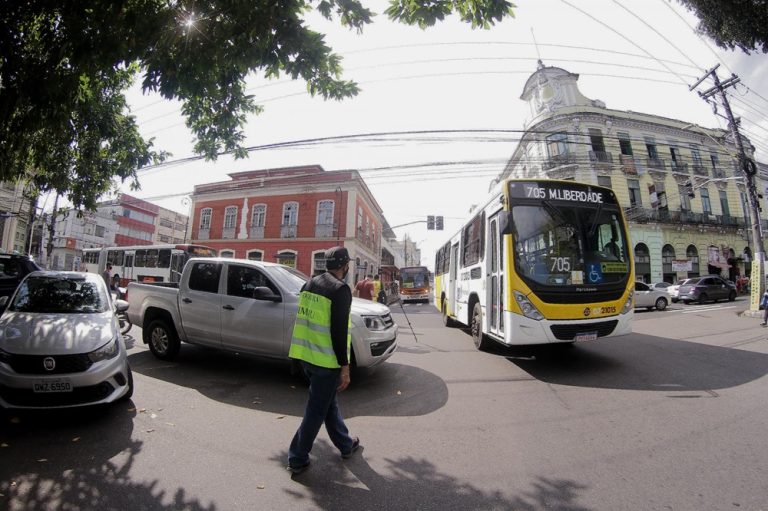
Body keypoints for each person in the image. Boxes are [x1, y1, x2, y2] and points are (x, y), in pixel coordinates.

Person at [287, 246, 360, 475]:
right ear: (345, 266)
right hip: (326, 362)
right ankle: (297, 458)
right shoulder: (340, 290)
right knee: (316, 411)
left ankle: (346, 444)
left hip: (307, 357)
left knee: (328, 405)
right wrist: (345, 367)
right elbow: (339, 333)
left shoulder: (308, 284)